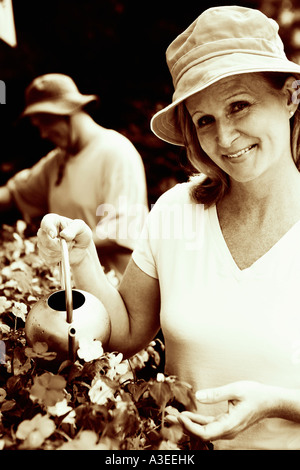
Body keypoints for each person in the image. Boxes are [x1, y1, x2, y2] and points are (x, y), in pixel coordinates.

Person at [37, 6, 300, 450]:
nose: (226, 137)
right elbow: (125, 335)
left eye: (239, 105)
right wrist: (81, 259)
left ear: (291, 96)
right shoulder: (177, 211)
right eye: (205, 120)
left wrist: (277, 403)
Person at [0, 73, 148, 279]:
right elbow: (15, 193)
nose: (43, 134)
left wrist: (48, 248)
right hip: (69, 287)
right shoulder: (58, 160)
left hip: (114, 289)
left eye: (45, 123)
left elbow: (122, 233)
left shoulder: (116, 152)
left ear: (65, 112)